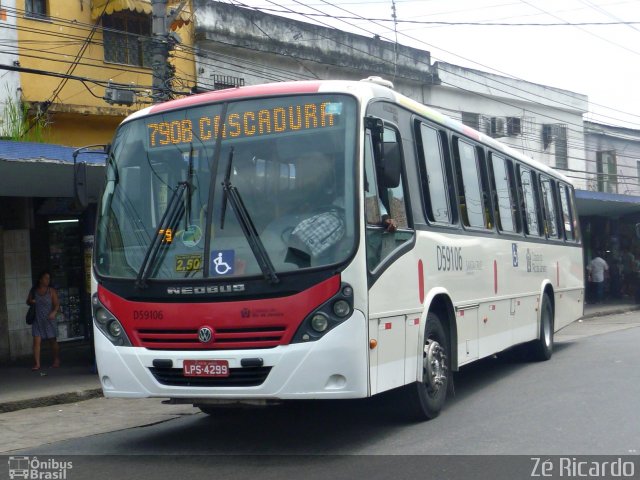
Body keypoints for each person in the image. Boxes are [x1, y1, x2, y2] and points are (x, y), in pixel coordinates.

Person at [26, 271, 60, 370]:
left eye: (49, 278)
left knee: (52, 341)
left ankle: (56, 359)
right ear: (40, 280)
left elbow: (57, 304)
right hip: (37, 319)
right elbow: (27, 301)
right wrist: (31, 301)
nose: (47, 280)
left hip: (49, 319)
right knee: (36, 341)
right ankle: (37, 364)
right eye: (45, 278)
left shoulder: (51, 291)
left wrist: (54, 312)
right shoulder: (34, 290)